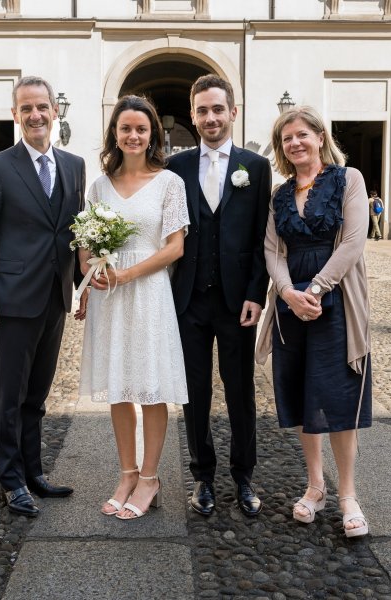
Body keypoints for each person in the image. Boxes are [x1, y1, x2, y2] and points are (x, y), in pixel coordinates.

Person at [0, 76, 85, 517]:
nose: (36, 115)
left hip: (55, 297)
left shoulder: (74, 166)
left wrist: (84, 284)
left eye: (43, 107)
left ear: (55, 111)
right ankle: (11, 480)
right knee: (10, 396)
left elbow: (75, 232)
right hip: (12, 298)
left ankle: (34, 471)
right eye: (26, 108)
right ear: (15, 115)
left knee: (37, 394)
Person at [76, 95, 189, 520]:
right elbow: (85, 240)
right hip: (108, 293)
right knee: (119, 384)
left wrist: (127, 274)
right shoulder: (99, 186)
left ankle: (150, 477)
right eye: (126, 128)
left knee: (150, 385)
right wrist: (88, 278)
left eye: (141, 129)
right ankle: (126, 473)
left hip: (147, 292)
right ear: (115, 135)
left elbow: (175, 247)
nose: (134, 135)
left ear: (153, 135)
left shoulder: (169, 183)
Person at [261, 106, 372, 537]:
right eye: (287, 138)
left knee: (338, 396)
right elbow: (272, 249)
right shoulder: (280, 194)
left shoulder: (349, 180)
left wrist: (318, 288)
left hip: (337, 299)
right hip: (292, 304)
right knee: (303, 395)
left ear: (320, 137)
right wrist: (288, 292)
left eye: (301, 135)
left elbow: (353, 241)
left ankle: (348, 495)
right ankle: (315, 486)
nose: (295, 143)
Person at [167, 74, 271, 517]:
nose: (210, 117)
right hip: (188, 299)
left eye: (217, 109)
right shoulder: (177, 168)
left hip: (237, 302)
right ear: (193, 116)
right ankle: (202, 477)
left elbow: (265, 238)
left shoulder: (257, 167)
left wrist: (256, 294)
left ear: (233, 112)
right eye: (202, 111)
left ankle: (244, 476)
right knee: (194, 392)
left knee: (240, 391)